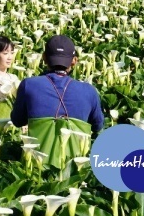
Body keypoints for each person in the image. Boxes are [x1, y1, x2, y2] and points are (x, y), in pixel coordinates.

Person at [10, 35, 104, 169]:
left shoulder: (28, 85)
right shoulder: (89, 91)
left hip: (36, 168)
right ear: (74, 61)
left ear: (44, 57)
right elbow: (98, 127)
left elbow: (17, 121)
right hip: (76, 171)